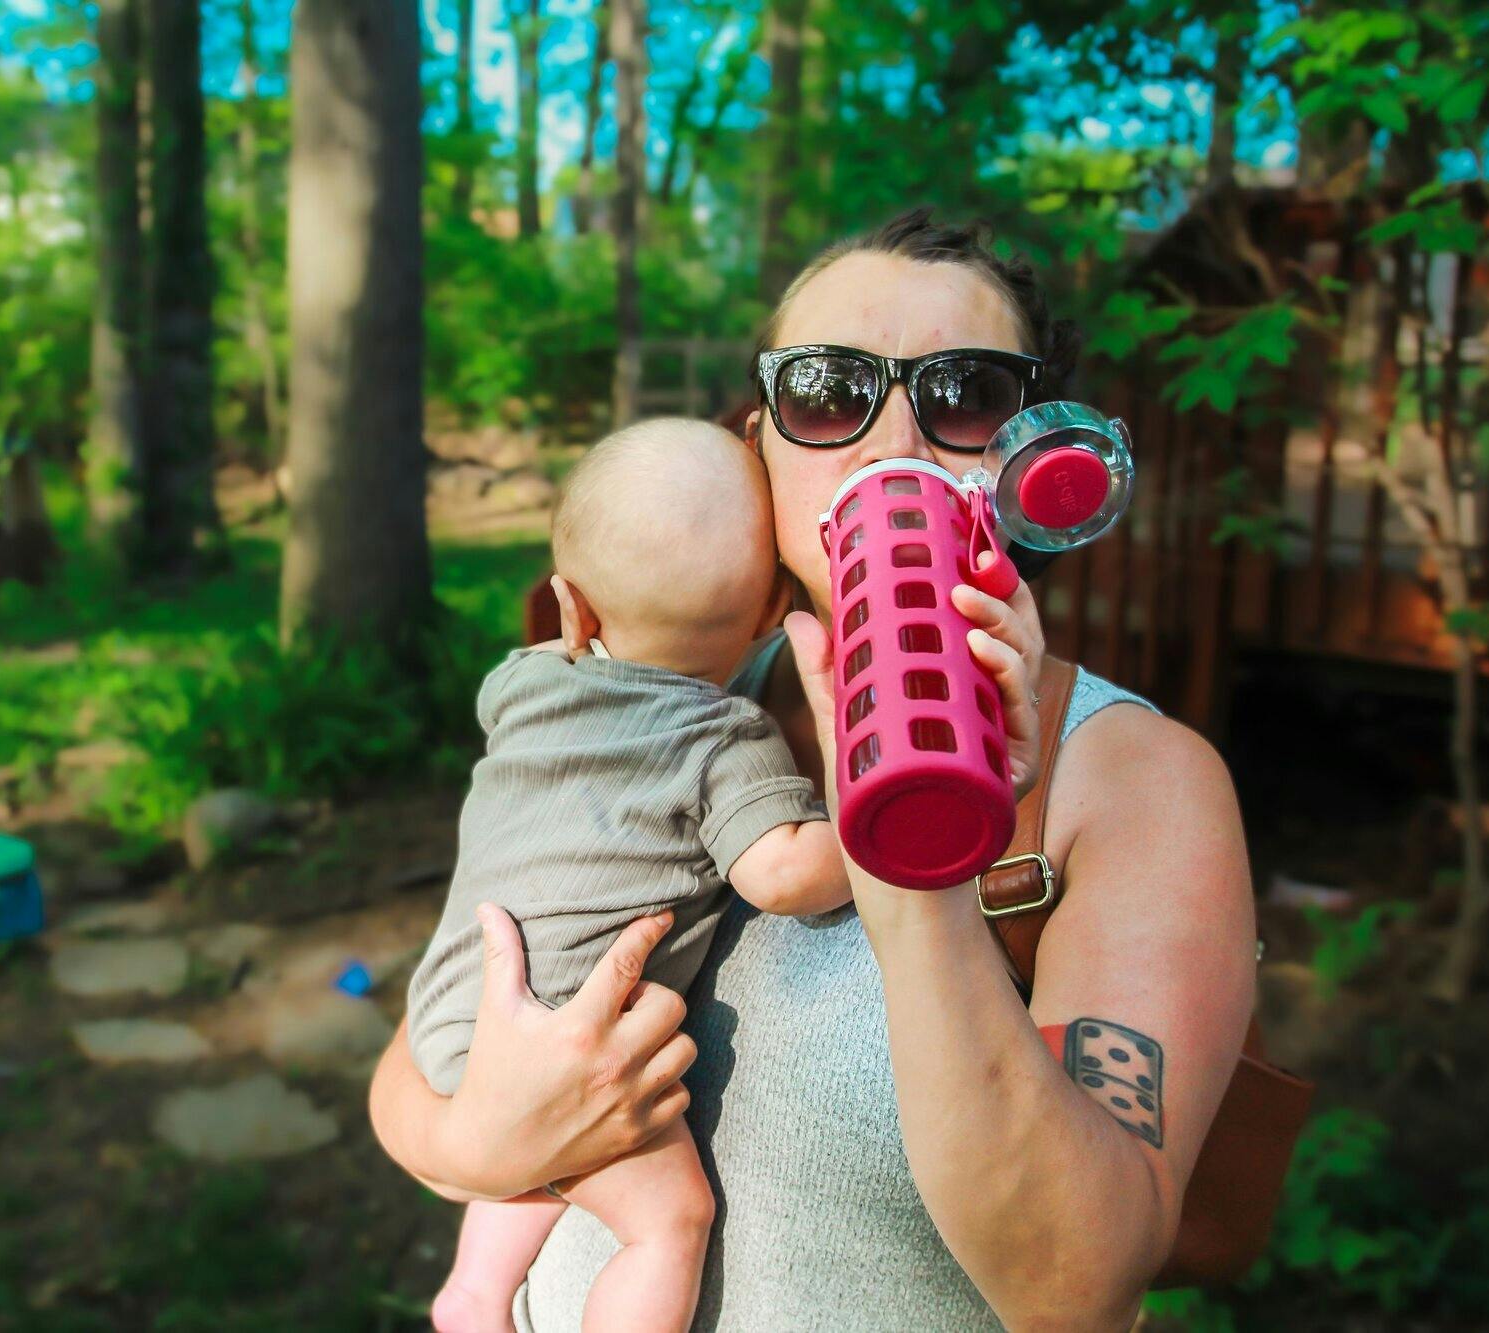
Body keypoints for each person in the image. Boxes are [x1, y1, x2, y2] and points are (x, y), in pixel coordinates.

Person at [369, 209, 1257, 1332]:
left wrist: (918, 849)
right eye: (830, 393)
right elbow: (419, 1053)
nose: (891, 448)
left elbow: (1076, 1284)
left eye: (963, 394)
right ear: (760, 443)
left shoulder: (1132, 781)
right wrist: (477, 1143)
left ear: (1024, 457)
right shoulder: (663, 691)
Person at [410, 418, 878, 1332]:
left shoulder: (521, 684)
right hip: (563, 1030)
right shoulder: (722, 739)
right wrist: (864, 820)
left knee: (555, 1158)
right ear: (761, 622)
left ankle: (473, 1292)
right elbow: (782, 872)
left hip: (455, 1011)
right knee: (670, 1220)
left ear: (570, 609)